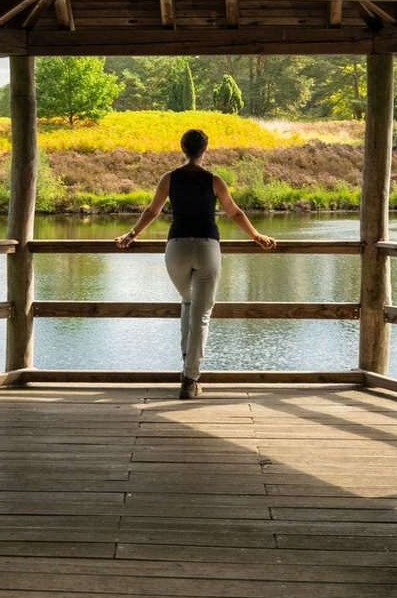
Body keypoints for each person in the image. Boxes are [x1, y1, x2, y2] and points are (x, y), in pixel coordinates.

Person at [115, 128, 276, 398]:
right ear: (205, 149)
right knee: (200, 314)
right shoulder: (215, 180)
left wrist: (131, 235)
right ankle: (190, 379)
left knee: (188, 302)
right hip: (206, 248)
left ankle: (187, 363)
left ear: (183, 148)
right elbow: (234, 212)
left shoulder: (169, 178)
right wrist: (256, 236)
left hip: (176, 249)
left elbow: (152, 211)